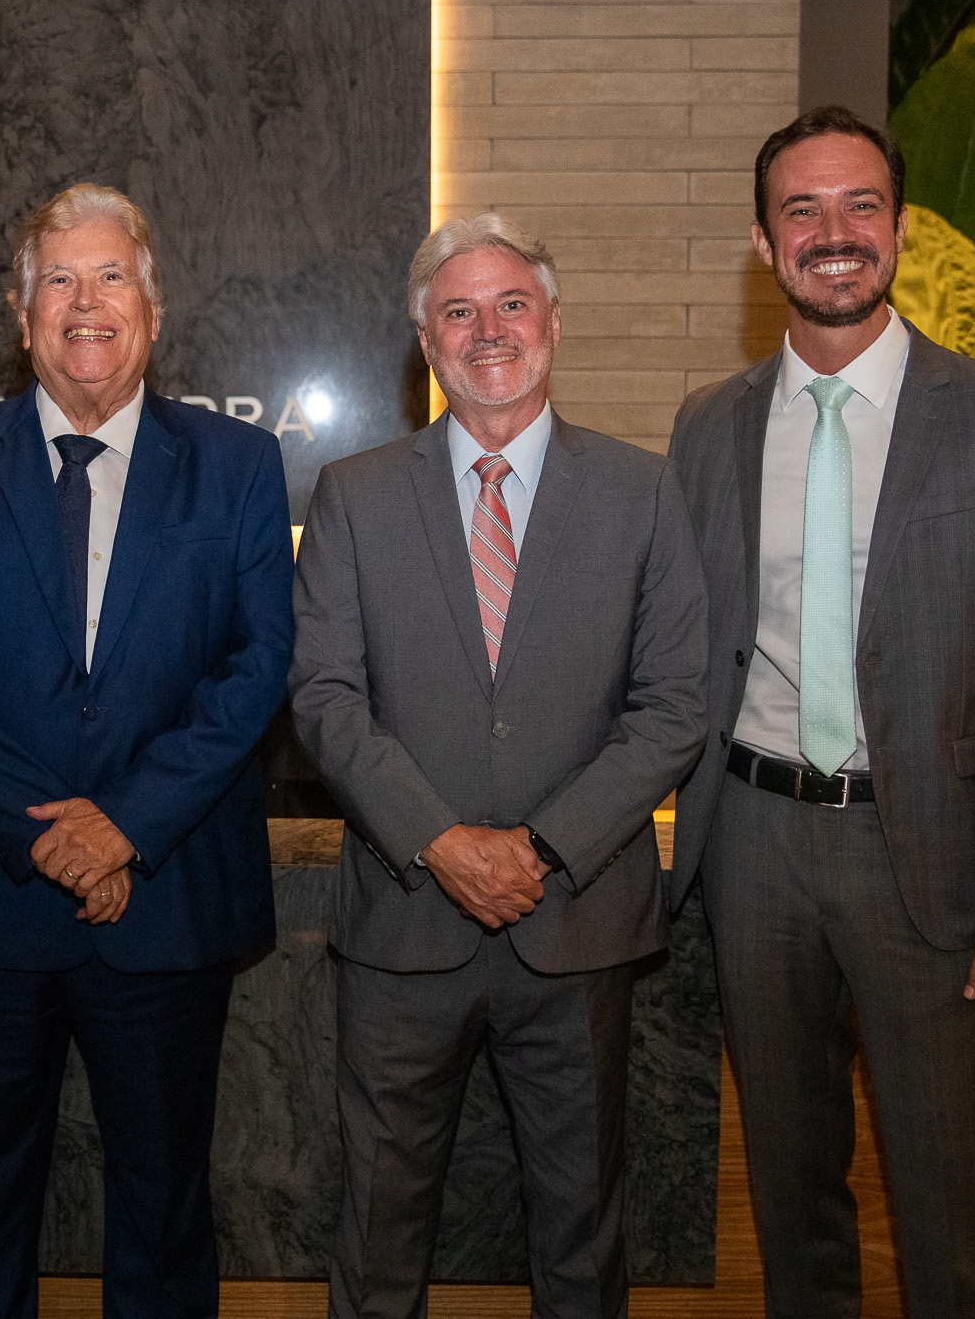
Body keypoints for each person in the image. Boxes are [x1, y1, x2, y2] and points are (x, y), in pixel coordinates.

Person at [666, 105, 975, 1319]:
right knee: (791, 1194)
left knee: (951, 1203)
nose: (831, 233)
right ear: (763, 242)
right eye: (800, 210)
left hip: (938, 862)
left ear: (898, 229)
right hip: (749, 846)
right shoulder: (711, 424)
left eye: (858, 206)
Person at [0, 182, 293, 1319]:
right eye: (57, 279)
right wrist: (50, 835)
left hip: (164, 901)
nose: (84, 302)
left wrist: (126, 825)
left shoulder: (239, 467)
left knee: (163, 1206)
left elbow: (256, 668)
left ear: (153, 312)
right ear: (21, 317)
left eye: (111, 276)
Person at [289, 213, 709, 1319]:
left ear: (553, 324)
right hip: (400, 928)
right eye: (456, 312)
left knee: (582, 1236)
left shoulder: (640, 491)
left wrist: (542, 846)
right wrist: (439, 839)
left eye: (509, 304)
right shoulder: (353, 494)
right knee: (377, 1235)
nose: (487, 331)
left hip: (576, 927)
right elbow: (324, 697)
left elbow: (673, 707)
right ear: (425, 345)